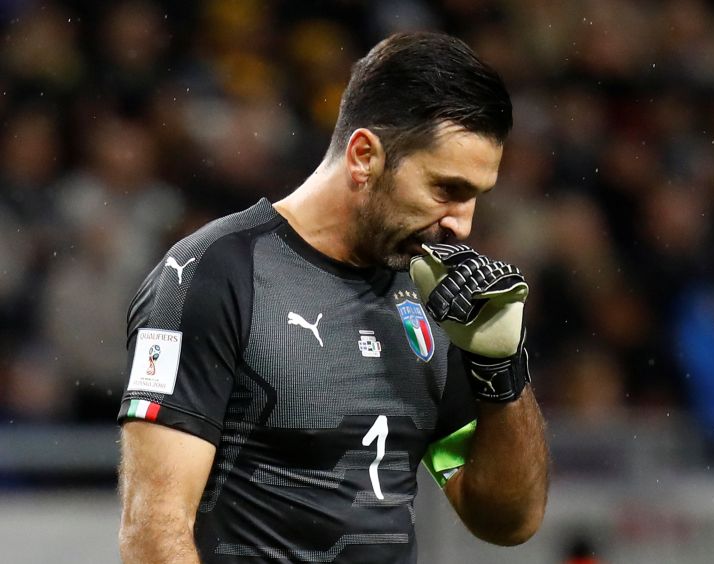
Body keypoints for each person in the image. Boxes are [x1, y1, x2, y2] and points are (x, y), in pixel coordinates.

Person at [118, 31, 549, 564]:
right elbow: (153, 534)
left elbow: (507, 521)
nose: (462, 225)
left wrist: (502, 371)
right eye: (446, 190)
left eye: (475, 197)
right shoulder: (211, 276)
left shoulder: (436, 295)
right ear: (364, 155)